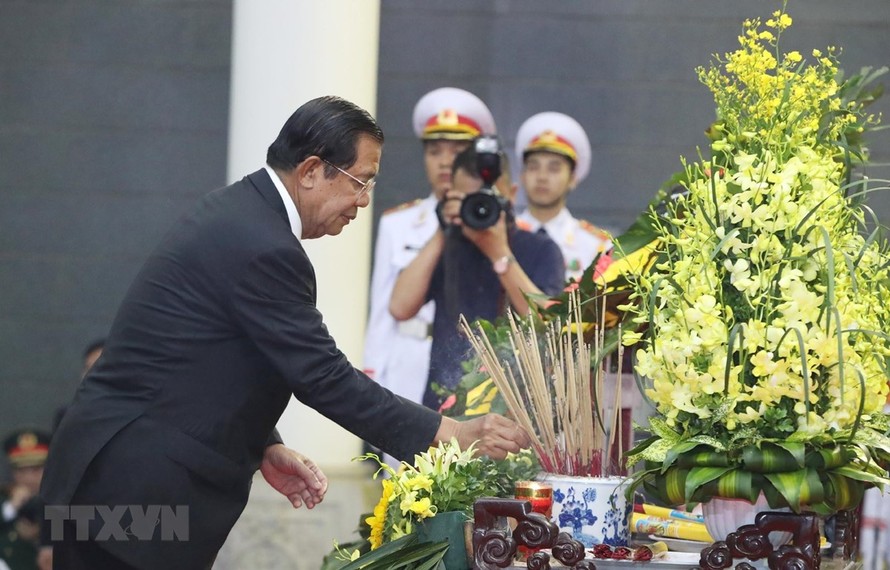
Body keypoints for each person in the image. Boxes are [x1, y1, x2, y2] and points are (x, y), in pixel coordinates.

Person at [40, 96, 530, 570]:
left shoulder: (244, 215)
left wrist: (264, 443)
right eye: (360, 182)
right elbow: (324, 378)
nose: (362, 201)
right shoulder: (263, 245)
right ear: (312, 170)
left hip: (119, 477)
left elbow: (219, 356)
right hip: (130, 485)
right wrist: (452, 433)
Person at [390, 140, 565, 410]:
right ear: (450, 197)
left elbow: (549, 325)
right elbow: (400, 307)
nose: (480, 208)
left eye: (489, 199)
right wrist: (442, 231)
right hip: (447, 407)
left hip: (517, 408)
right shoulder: (446, 248)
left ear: (512, 195)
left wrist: (499, 253)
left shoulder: (541, 249)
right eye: (468, 200)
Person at [363, 87, 496, 406]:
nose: (446, 162)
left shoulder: (492, 221)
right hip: (406, 364)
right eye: (435, 152)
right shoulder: (398, 223)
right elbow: (382, 311)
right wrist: (372, 377)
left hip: (469, 366)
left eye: (458, 151)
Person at [515, 112, 612, 281]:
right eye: (533, 167)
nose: (542, 177)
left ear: (572, 179)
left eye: (554, 169)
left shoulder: (596, 246)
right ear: (522, 176)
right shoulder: (501, 237)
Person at [1, 430, 49, 534]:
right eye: (21, 470)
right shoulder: (5, 501)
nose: (29, 478)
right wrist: (11, 508)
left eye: (36, 469)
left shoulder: (64, 499)